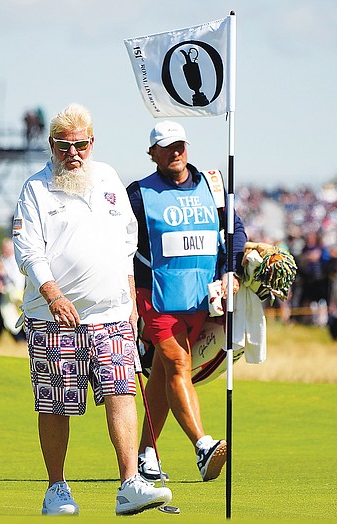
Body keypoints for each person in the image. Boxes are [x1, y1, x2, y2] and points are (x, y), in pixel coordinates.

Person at [12, 103, 171, 516]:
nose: (74, 153)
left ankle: (129, 484)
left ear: (92, 142)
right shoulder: (36, 189)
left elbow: (127, 240)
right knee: (56, 403)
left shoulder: (108, 179)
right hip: (53, 317)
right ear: (52, 145)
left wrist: (131, 295)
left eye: (81, 144)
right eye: (64, 146)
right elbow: (28, 251)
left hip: (112, 312)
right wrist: (53, 295)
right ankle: (57, 488)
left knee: (122, 392)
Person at [126, 120, 247, 483]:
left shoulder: (211, 185)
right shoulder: (138, 194)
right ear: (153, 154)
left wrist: (231, 269)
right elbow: (118, 242)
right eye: (166, 147)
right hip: (157, 297)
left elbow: (234, 230)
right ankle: (203, 446)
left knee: (164, 373)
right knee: (178, 364)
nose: (175, 152)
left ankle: (146, 454)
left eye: (180, 144)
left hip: (201, 300)